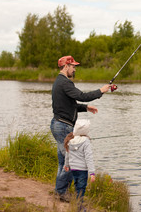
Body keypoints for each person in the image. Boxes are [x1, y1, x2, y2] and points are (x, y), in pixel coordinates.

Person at [50, 55, 110, 201]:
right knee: (71, 161)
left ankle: (60, 191)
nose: (74, 69)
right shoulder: (65, 83)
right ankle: (62, 193)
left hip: (58, 124)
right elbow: (82, 96)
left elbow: (69, 105)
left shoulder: (59, 82)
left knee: (63, 161)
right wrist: (100, 91)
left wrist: (86, 108)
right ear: (66, 67)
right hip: (63, 126)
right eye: (73, 66)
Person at [64, 119, 95, 199]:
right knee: (81, 187)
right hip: (82, 169)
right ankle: (79, 205)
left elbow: (67, 154)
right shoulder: (86, 141)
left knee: (77, 185)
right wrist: (92, 173)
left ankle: (76, 202)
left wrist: (66, 164)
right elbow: (89, 157)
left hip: (73, 168)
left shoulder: (70, 140)